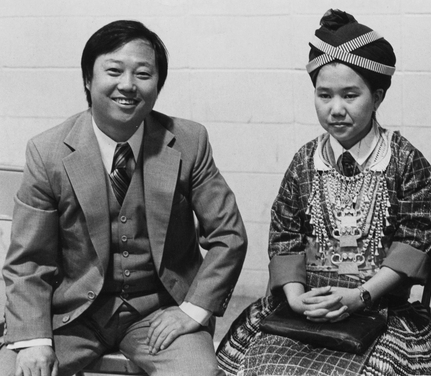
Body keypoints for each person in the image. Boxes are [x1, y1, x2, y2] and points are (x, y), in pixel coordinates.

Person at [0, 20, 247, 376]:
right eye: (114, 71)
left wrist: (192, 309)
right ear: (88, 79)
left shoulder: (189, 142)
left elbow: (230, 236)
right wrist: (35, 342)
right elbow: (28, 261)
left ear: (158, 85)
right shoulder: (47, 152)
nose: (128, 85)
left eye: (143, 74)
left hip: (160, 315)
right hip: (71, 316)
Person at [216, 9, 431, 376]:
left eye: (350, 95)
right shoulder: (305, 160)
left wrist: (359, 296)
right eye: (325, 95)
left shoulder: (405, 161)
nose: (336, 109)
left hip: (380, 308)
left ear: (378, 96)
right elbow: (285, 234)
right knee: (252, 364)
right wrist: (294, 297)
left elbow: (417, 240)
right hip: (306, 304)